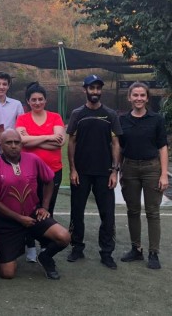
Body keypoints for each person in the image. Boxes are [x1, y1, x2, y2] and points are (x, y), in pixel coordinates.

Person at [0, 129, 71, 280]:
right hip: (6, 222)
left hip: (32, 215)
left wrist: (44, 207)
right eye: (9, 143)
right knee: (7, 273)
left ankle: (45, 257)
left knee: (64, 237)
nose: (13, 146)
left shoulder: (33, 159)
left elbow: (50, 180)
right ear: (1, 145)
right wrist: (19, 219)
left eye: (17, 142)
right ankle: (14, 248)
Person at [67, 75, 122, 269]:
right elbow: (71, 142)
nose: (95, 92)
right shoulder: (77, 114)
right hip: (81, 172)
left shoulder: (110, 115)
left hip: (104, 173)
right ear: (85, 90)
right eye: (92, 88)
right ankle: (77, 247)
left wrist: (114, 171)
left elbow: (116, 143)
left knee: (107, 214)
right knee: (77, 212)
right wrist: (73, 169)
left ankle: (107, 252)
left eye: (98, 88)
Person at [119, 82, 169, 269]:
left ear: (147, 98)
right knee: (132, 210)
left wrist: (164, 174)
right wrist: (117, 169)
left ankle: (153, 253)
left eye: (142, 95)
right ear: (129, 97)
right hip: (130, 168)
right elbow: (120, 148)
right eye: (135, 95)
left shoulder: (156, 119)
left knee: (152, 212)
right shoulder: (123, 120)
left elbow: (162, 147)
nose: (138, 98)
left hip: (151, 168)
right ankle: (136, 249)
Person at [15, 82, 65, 262]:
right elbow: (21, 141)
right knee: (29, 209)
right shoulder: (22, 118)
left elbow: (59, 142)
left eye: (40, 99)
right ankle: (30, 246)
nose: (37, 102)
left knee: (47, 208)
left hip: (53, 170)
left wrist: (32, 140)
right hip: (29, 172)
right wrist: (48, 137)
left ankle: (45, 244)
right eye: (33, 100)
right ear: (28, 101)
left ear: (45, 100)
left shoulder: (55, 117)